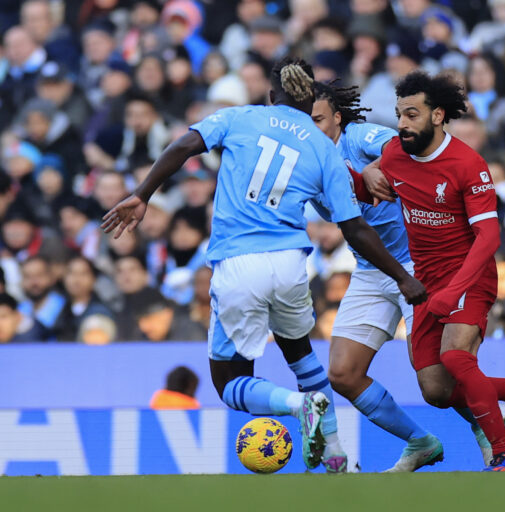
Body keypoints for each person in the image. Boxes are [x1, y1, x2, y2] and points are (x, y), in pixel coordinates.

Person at [102, 58, 426, 473]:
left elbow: (184, 146)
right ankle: (336, 456)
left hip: (239, 263)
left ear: (272, 95)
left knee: (229, 383)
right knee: (301, 356)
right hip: (292, 265)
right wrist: (402, 277)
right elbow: (356, 228)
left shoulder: (240, 117)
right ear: (310, 99)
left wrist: (143, 193)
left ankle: (298, 405)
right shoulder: (323, 148)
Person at [353, 71, 505, 472]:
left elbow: (489, 237)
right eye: (399, 115)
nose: (402, 123)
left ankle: (504, 454)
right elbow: (363, 193)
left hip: (469, 274)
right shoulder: (394, 156)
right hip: (425, 279)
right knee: (436, 391)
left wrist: (453, 290)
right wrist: (357, 174)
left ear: (438, 115)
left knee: (457, 357)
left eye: (411, 114)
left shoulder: (468, 164)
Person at [311, 80, 486, 472]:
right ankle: (420, 442)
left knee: (437, 386)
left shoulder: (358, 137)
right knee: (342, 374)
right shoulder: (307, 162)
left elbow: (401, 141)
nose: (311, 126)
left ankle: (487, 425)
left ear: (338, 119)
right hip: (371, 270)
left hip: (415, 266)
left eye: (318, 118)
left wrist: (374, 168)